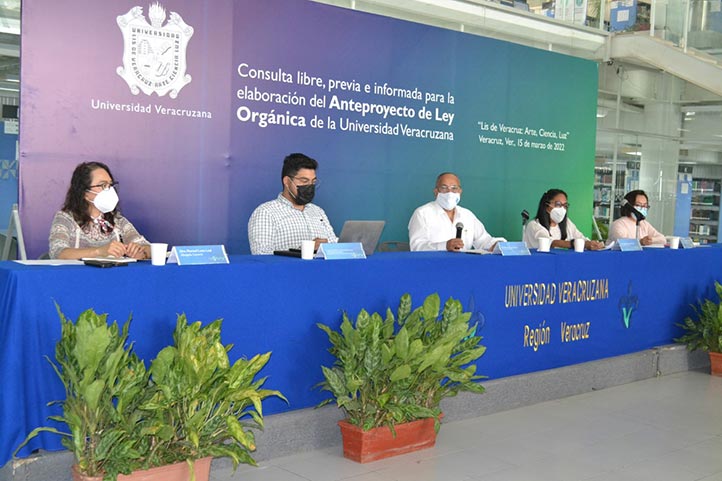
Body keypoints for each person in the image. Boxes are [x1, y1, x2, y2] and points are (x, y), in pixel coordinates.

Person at [49, 161, 151, 260]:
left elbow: (149, 248)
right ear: (85, 192)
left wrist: (141, 252)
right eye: (103, 185)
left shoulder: (117, 220)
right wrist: (99, 252)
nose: (109, 190)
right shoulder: (65, 218)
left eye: (110, 185)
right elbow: (58, 252)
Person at [248, 153, 337, 255]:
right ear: (287, 181)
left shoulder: (318, 212)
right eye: (304, 181)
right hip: (287, 270)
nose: (309, 186)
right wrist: (303, 250)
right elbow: (261, 254)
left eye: (313, 182)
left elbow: (335, 246)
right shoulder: (266, 213)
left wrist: (329, 246)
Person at [408, 172, 505, 252]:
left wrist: (497, 244)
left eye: (454, 188)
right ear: (436, 192)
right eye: (444, 188)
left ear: (460, 192)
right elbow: (416, 246)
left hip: (463, 268)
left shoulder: (467, 215)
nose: (450, 193)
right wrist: (444, 246)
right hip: (432, 268)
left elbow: (483, 240)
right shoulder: (422, 213)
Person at [524, 188, 604, 250]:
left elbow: (580, 237)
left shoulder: (567, 223)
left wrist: (592, 244)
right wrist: (574, 244)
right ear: (546, 206)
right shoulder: (534, 225)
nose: (562, 209)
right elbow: (550, 243)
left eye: (565, 205)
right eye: (558, 204)